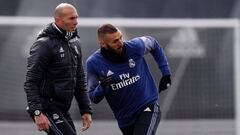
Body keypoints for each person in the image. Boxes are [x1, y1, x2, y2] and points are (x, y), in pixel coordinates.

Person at [86, 24, 171, 135]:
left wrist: (166, 73)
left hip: (147, 107)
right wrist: (102, 87)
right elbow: (93, 97)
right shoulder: (93, 63)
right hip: (125, 120)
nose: (120, 42)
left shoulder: (135, 46)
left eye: (121, 37)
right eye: (115, 41)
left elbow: (153, 43)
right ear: (103, 44)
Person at [24, 3, 92, 135]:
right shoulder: (44, 44)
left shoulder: (75, 42)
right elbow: (31, 81)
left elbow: (79, 79)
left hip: (62, 108)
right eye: (71, 18)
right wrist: (37, 112)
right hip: (46, 107)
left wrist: (85, 110)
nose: (76, 22)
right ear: (58, 20)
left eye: (76, 18)